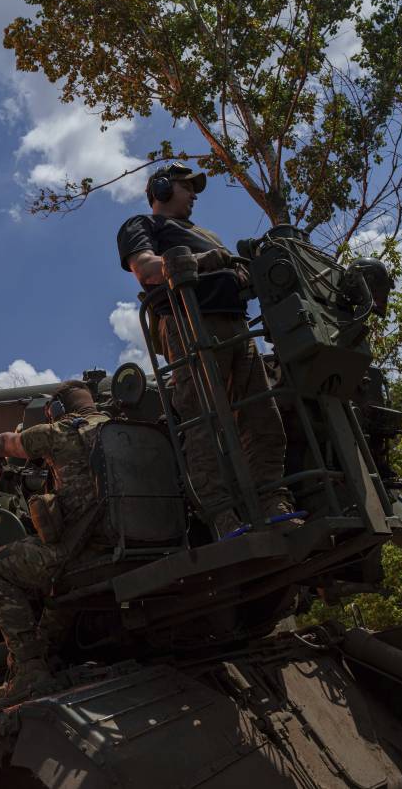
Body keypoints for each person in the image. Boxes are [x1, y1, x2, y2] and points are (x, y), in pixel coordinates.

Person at [116, 162, 290, 537]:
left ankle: (272, 500)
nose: (194, 194)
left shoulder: (206, 234)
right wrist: (199, 261)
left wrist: (242, 274)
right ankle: (222, 515)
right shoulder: (143, 226)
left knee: (262, 414)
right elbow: (146, 269)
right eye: (186, 187)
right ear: (161, 190)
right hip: (189, 325)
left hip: (236, 327)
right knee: (204, 422)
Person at [0, 380, 110, 706]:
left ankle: (29, 673)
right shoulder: (120, 426)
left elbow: (8, 443)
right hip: (129, 545)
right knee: (57, 587)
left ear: (59, 411)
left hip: (88, 550)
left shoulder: (61, 432)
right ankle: (53, 656)